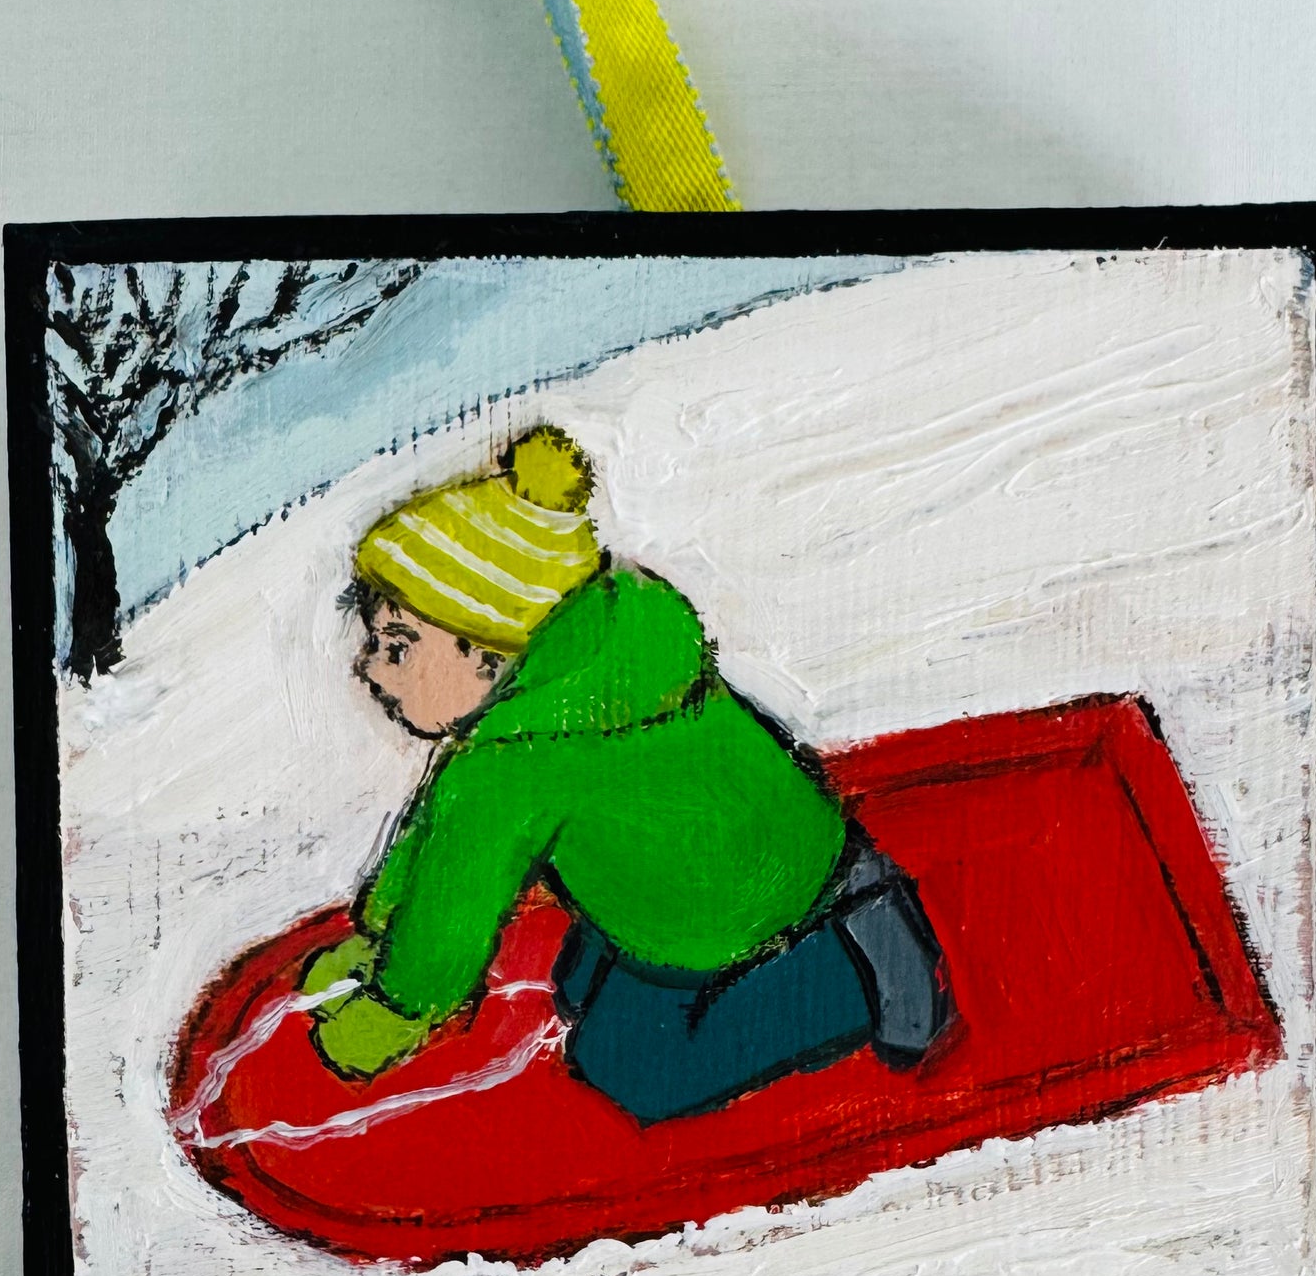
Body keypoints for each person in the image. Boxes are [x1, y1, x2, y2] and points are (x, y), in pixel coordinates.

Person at [306, 426, 949, 1123]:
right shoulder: (598, 660)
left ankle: (856, 974)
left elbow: (449, 919)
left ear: (485, 654)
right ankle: (843, 912)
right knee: (579, 986)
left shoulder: (508, 769)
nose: (369, 668)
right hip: (730, 868)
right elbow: (433, 836)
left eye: (397, 646)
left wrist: (390, 1014)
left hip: (737, 913)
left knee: (630, 1068)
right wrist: (377, 929)